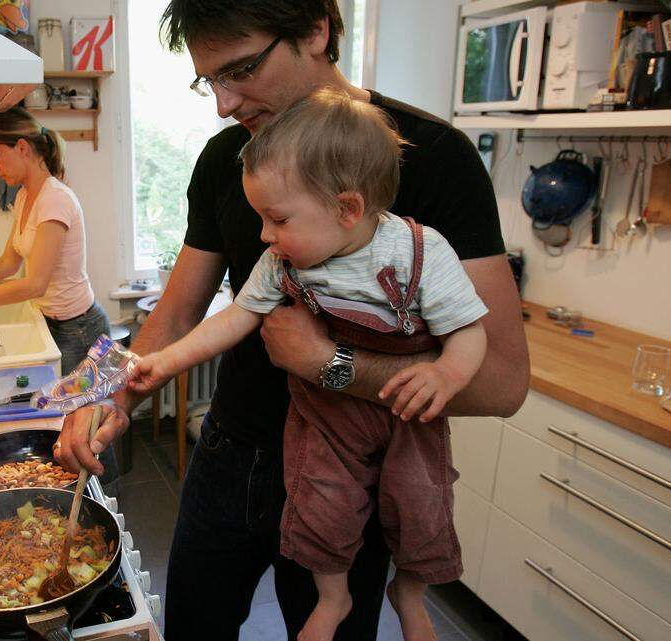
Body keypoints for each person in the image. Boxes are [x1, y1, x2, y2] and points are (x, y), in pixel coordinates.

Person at [54, 2, 530, 639]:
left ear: (316, 29)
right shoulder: (231, 157)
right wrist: (104, 392)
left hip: (349, 471)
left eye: (241, 69)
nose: (224, 103)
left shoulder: (434, 158)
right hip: (227, 457)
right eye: (208, 81)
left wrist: (328, 366)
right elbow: (172, 317)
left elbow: (501, 382)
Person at [127, 90, 487, 641]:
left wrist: (446, 374)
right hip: (324, 420)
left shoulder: (420, 250)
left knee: (423, 507)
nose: (265, 235)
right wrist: (163, 362)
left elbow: (468, 332)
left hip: (406, 425)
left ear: (347, 208)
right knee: (323, 507)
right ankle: (333, 595)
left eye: (276, 219)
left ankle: (411, 594)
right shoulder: (282, 261)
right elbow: (236, 318)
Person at [0, 107, 110, 374]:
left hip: (79, 330)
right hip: (52, 323)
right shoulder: (25, 197)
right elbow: (8, 263)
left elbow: (35, 284)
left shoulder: (55, 199)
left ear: (22, 148)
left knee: (75, 414)